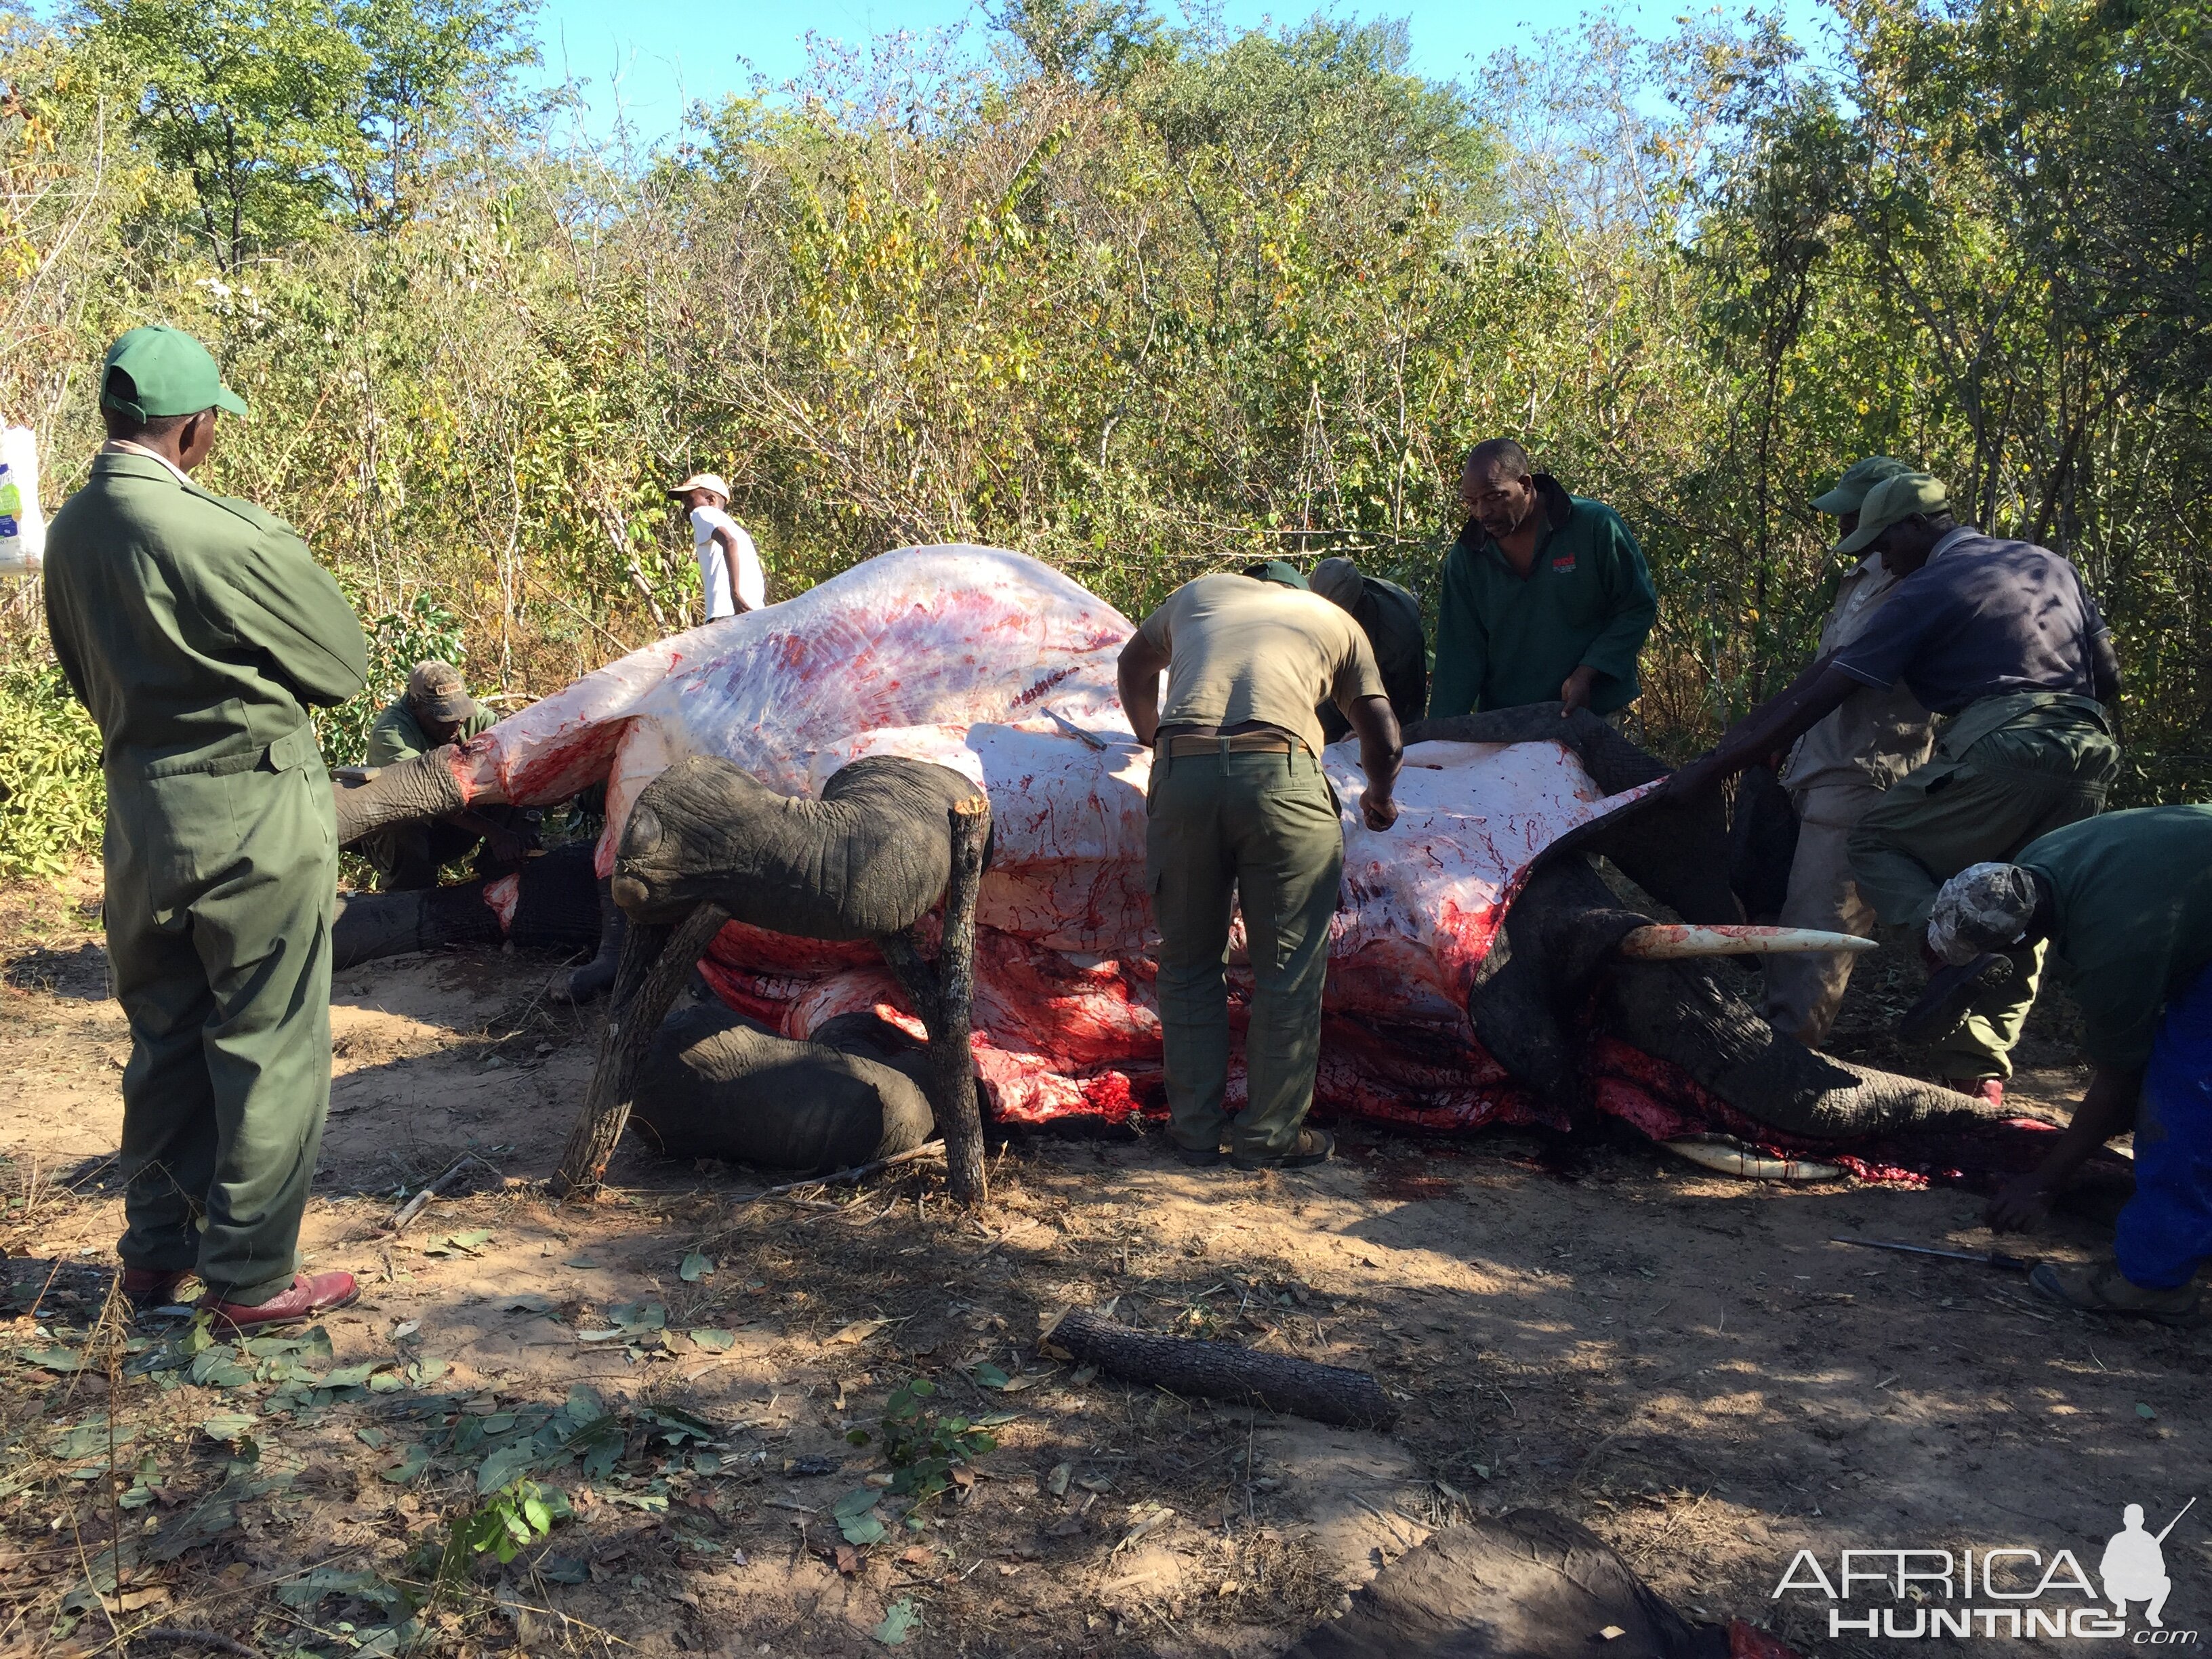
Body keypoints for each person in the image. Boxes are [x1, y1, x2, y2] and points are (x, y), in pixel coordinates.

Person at [43, 326, 368, 1332]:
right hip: (254, 822)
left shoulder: (71, 530)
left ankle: (154, 1261)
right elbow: (342, 665)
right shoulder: (225, 534)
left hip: (144, 823)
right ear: (193, 428)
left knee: (166, 1043)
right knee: (268, 1043)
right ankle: (252, 1278)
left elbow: (80, 671)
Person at [1658, 472, 2121, 1099]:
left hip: (1999, 742)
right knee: (2027, 896)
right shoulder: (2044, 565)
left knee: (1872, 842)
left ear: (1917, 526)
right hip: (2089, 744)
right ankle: (1978, 1080)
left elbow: (1825, 692)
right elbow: (2108, 671)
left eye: (1885, 542)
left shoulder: (1928, 585)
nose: (1881, 558)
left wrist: (1713, 770)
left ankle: (1947, 944)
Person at [1117, 565, 1402, 1171]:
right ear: (1296, 593)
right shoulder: (1334, 621)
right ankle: (1269, 1138)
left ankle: (1194, 1133)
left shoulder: (1197, 593)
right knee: (1288, 970)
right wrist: (1379, 795)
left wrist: (1153, 742)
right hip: (1281, 776)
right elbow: (1384, 733)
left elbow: (1132, 666)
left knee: (1189, 964)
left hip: (1183, 772)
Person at [1921, 807, 2212, 1323]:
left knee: (2182, 1097)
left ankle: (2152, 1282)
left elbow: (2121, 1079)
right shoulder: (2036, 863)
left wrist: (2044, 1182)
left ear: (2018, 941)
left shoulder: (2117, 946)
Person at [1761, 457, 1936, 1046]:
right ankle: (1781, 1033)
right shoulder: (1861, 578)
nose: (1841, 529)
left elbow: (1854, 678)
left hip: (1867, 768)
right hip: (1823, 761)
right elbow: (1822, 673)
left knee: (1822, 916)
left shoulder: (1919, 583)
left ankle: (1789, 1052)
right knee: (1800, 909)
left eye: (1851, 516)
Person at [1429, 438, 1656, 721]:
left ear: (1525, 485)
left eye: (1493, 497)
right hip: (1510, 724)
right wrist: (1438, 737)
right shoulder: (1467, 557)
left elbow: (1637, 607)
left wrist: (1588, 672)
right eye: (1471, 502)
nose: (1481, 513)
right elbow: (1459, 655)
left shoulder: (1594, 526)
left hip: (1593, 712)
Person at [356, 660, 531, 890]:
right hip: (414, 826)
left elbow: (517, 750)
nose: (456, 723)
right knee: (401, 822)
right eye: (443, 717)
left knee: (514, 786)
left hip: (460, 821)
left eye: (459, 714)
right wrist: (494, 832)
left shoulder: (472, 717)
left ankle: (498, 876)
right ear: (415, 705)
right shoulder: (391, 734)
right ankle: (411, 900)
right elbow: (425, 797)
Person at [1309, 556, 1428, 740]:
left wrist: (1383, 737)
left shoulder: (1399, 633)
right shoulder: (1304, 606)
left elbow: (1408, 701)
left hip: (1395, 680)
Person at [669, 472, 764, 621]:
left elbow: (729, 542)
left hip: (726, 610)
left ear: (711, 500)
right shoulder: (738, 530)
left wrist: (735, 594)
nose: (685, 508)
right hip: (753, 611)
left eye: (688, 501)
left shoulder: (701, 512)